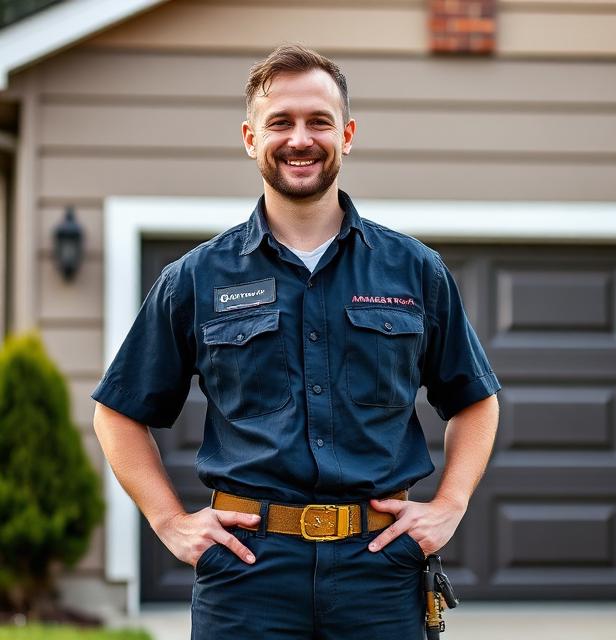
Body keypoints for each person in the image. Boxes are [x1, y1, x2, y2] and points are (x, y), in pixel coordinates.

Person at [92, 44, 500, 639]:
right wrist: (168, 521)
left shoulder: (413, 271)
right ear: (250, 138)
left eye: (319, 122)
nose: (300, 139)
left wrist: (451, 504)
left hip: (379, 571)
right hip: (247, 575)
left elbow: (475, 398)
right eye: (280, 122)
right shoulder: (197, 278)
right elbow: (118, 411)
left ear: (348, 134)